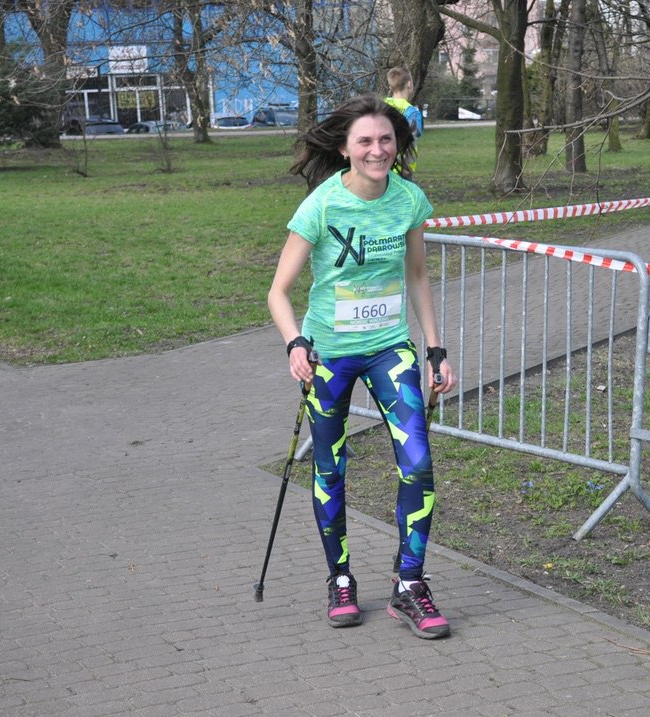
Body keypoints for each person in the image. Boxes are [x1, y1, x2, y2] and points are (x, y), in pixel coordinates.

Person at [267, 94, 457, 639]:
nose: (378, 150)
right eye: (366, 141)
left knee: (418, 464)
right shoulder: (322, 206)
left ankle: (409, 585)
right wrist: (295, 344)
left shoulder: (409, 199)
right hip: (329, 355)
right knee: (330, 467)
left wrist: (435, 348)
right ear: (346, 149)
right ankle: (341, 579)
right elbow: (278, 292)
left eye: (386, 139)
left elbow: (417, 274)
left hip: (389, 347)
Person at [384, 66, 423, 172]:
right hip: (403, 168)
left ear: (390, 86)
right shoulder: (412, 113)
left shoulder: (381, 106)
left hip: (383, 165)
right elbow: (414, 137)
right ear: (409, 84)